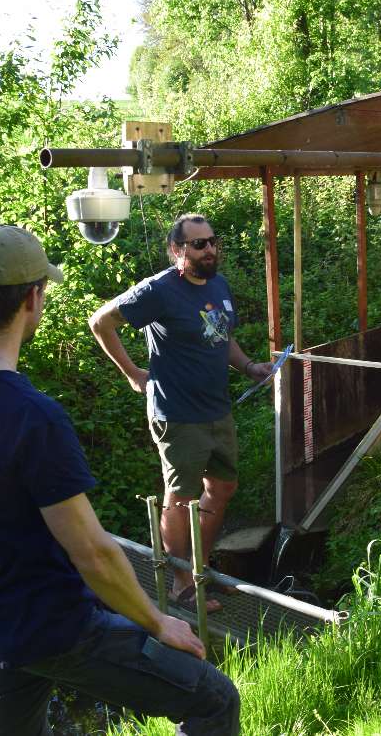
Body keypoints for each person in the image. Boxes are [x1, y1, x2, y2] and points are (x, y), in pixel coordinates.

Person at [0, 225, 239, 735]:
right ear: (33, 298)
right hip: (53, 627)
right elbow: (94, 552)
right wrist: (158, 621)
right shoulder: (31, 415)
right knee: (214, 700)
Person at [90, 214, 272, 613]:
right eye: (198, 244)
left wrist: (250, 367)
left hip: (217, 409)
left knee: (222, 489)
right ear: (177, 250)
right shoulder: (158, 291)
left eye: (212, 242)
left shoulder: (219, 285)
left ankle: (201, 569)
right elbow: (101, 322)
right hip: (177, 412)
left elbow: (222, 336)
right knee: (180, 497)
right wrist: (134, 374)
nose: (209, 250)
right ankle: (181, 584)